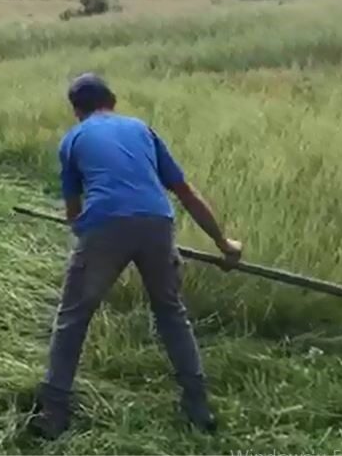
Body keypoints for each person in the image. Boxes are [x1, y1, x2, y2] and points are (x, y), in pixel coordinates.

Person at [30, 73, 244, 439]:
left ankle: (54, 412)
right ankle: (197, 405)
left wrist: (90, 239)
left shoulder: (73, 139)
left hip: (104, 226)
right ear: (111, 101)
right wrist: (224, 244)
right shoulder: (142, 129)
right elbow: (185, 192)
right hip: (158, 223)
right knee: (172, 314)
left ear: (77, 110)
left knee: (73, 317)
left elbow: (73, 215)